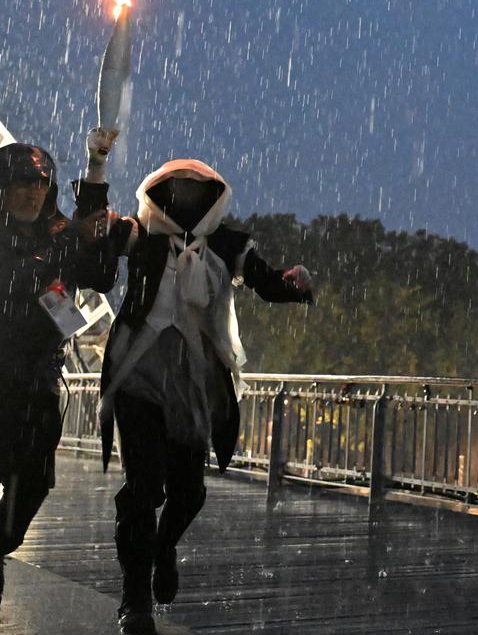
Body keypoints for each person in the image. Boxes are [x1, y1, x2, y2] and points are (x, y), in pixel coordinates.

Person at [86, 141, 315, 635]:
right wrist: (96, 164)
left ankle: (164, 546)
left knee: (189, 492)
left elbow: (266, 281)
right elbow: (93, 228)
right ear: (159, 194)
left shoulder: (228, 242)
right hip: (140, 378)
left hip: (193, 384)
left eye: (196, 192)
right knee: (143, 488)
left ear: (213, 198)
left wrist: (293, 284)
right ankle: (135, 600)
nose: (186, 200)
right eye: (177, 191)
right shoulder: (139, 232)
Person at [0, 143, 114, 635]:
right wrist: (69, 239)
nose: (33, 193)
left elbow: (99, 274)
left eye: (41, 183)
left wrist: (98, 211)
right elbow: (7, 278)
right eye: (22, 182)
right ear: (1, 187)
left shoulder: (55, 233)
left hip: (34, 378)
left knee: (35, 476)